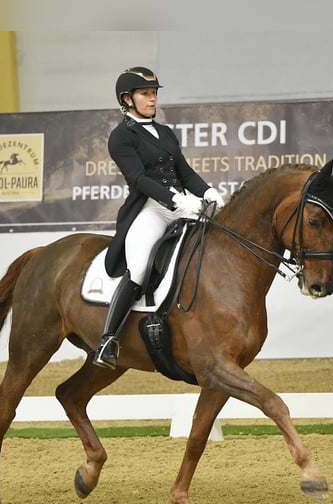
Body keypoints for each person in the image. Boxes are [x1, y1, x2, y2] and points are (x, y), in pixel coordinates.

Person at [93, 66, 225, 369]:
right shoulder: (121, 137)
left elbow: (184, 172)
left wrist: (207, 192)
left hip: (183, 205)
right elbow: (138, 178)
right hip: (150, 209)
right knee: (138, 268)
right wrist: (175, 199)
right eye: (145, 94)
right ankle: (108, 340)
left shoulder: (165, 133)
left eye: (154, 94)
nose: (152, 99)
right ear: (127, 99)